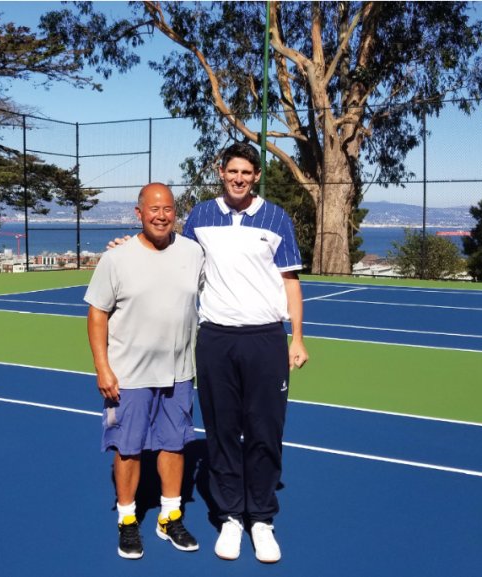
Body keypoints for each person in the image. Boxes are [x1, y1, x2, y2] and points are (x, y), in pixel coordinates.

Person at [183, 142, 308, 564]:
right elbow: (178, 263)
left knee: (264, 429)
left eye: (246, 172)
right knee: (221, 431)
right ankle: (231, 516)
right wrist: (130, 246)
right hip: (215, 339)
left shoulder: (276, 218)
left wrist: (297, 337)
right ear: (221, 172)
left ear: (256, 176)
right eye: (232, 171)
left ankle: (262, 519)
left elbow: (290, 282)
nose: (239, 178)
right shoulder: (200, 216)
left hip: (265, 339)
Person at [84, 182, 205, 560]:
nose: (161, 216)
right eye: (153, 209)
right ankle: (127, 519)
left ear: (175, 213)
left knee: (174, 444)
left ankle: (170, 517)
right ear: (139, 213)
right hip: (129, 376)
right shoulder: (116, 259)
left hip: (179, 372)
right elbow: (97, 314)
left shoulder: (193, 253)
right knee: (128, 448)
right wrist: (103, 368)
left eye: (168, 209)